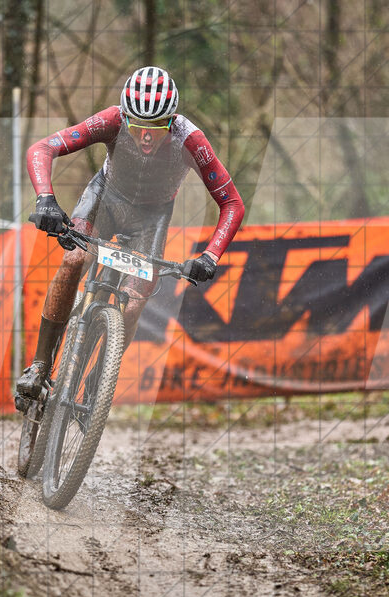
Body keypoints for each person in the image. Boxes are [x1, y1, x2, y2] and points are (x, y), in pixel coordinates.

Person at [15, 65, 245, 406]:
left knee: (136, 300)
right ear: (125, 118)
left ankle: (100, 378)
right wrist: (46, 198)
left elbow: (232, 204)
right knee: (74, 258)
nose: (147, 137)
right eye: (138, 127)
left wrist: (210, 256)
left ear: (173, 120)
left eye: (157, 127)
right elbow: (41, 149)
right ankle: (39, 365)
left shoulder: (190, 139)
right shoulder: (111, 120)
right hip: (104, 200)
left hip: (151, 218)